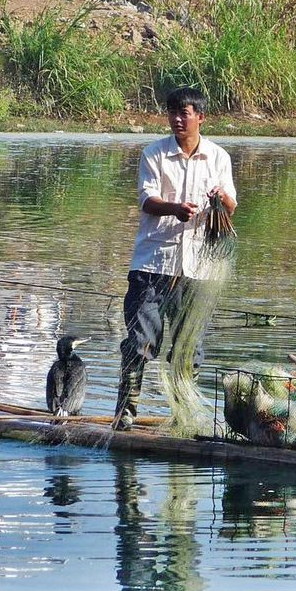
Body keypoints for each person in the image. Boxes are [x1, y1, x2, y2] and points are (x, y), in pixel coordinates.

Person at [112, 86, 237, 431]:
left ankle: (183, 417)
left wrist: (221, 198)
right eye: (173, 113)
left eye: (185, 113)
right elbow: (146, 201)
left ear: (201, 118)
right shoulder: (154, 154)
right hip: (153, 265)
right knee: (139, 342)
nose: (178, 119)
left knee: (188, 350)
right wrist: (175, 210)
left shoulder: (219, 158)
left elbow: (231, 206)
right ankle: (126, 413)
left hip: (199, 269)